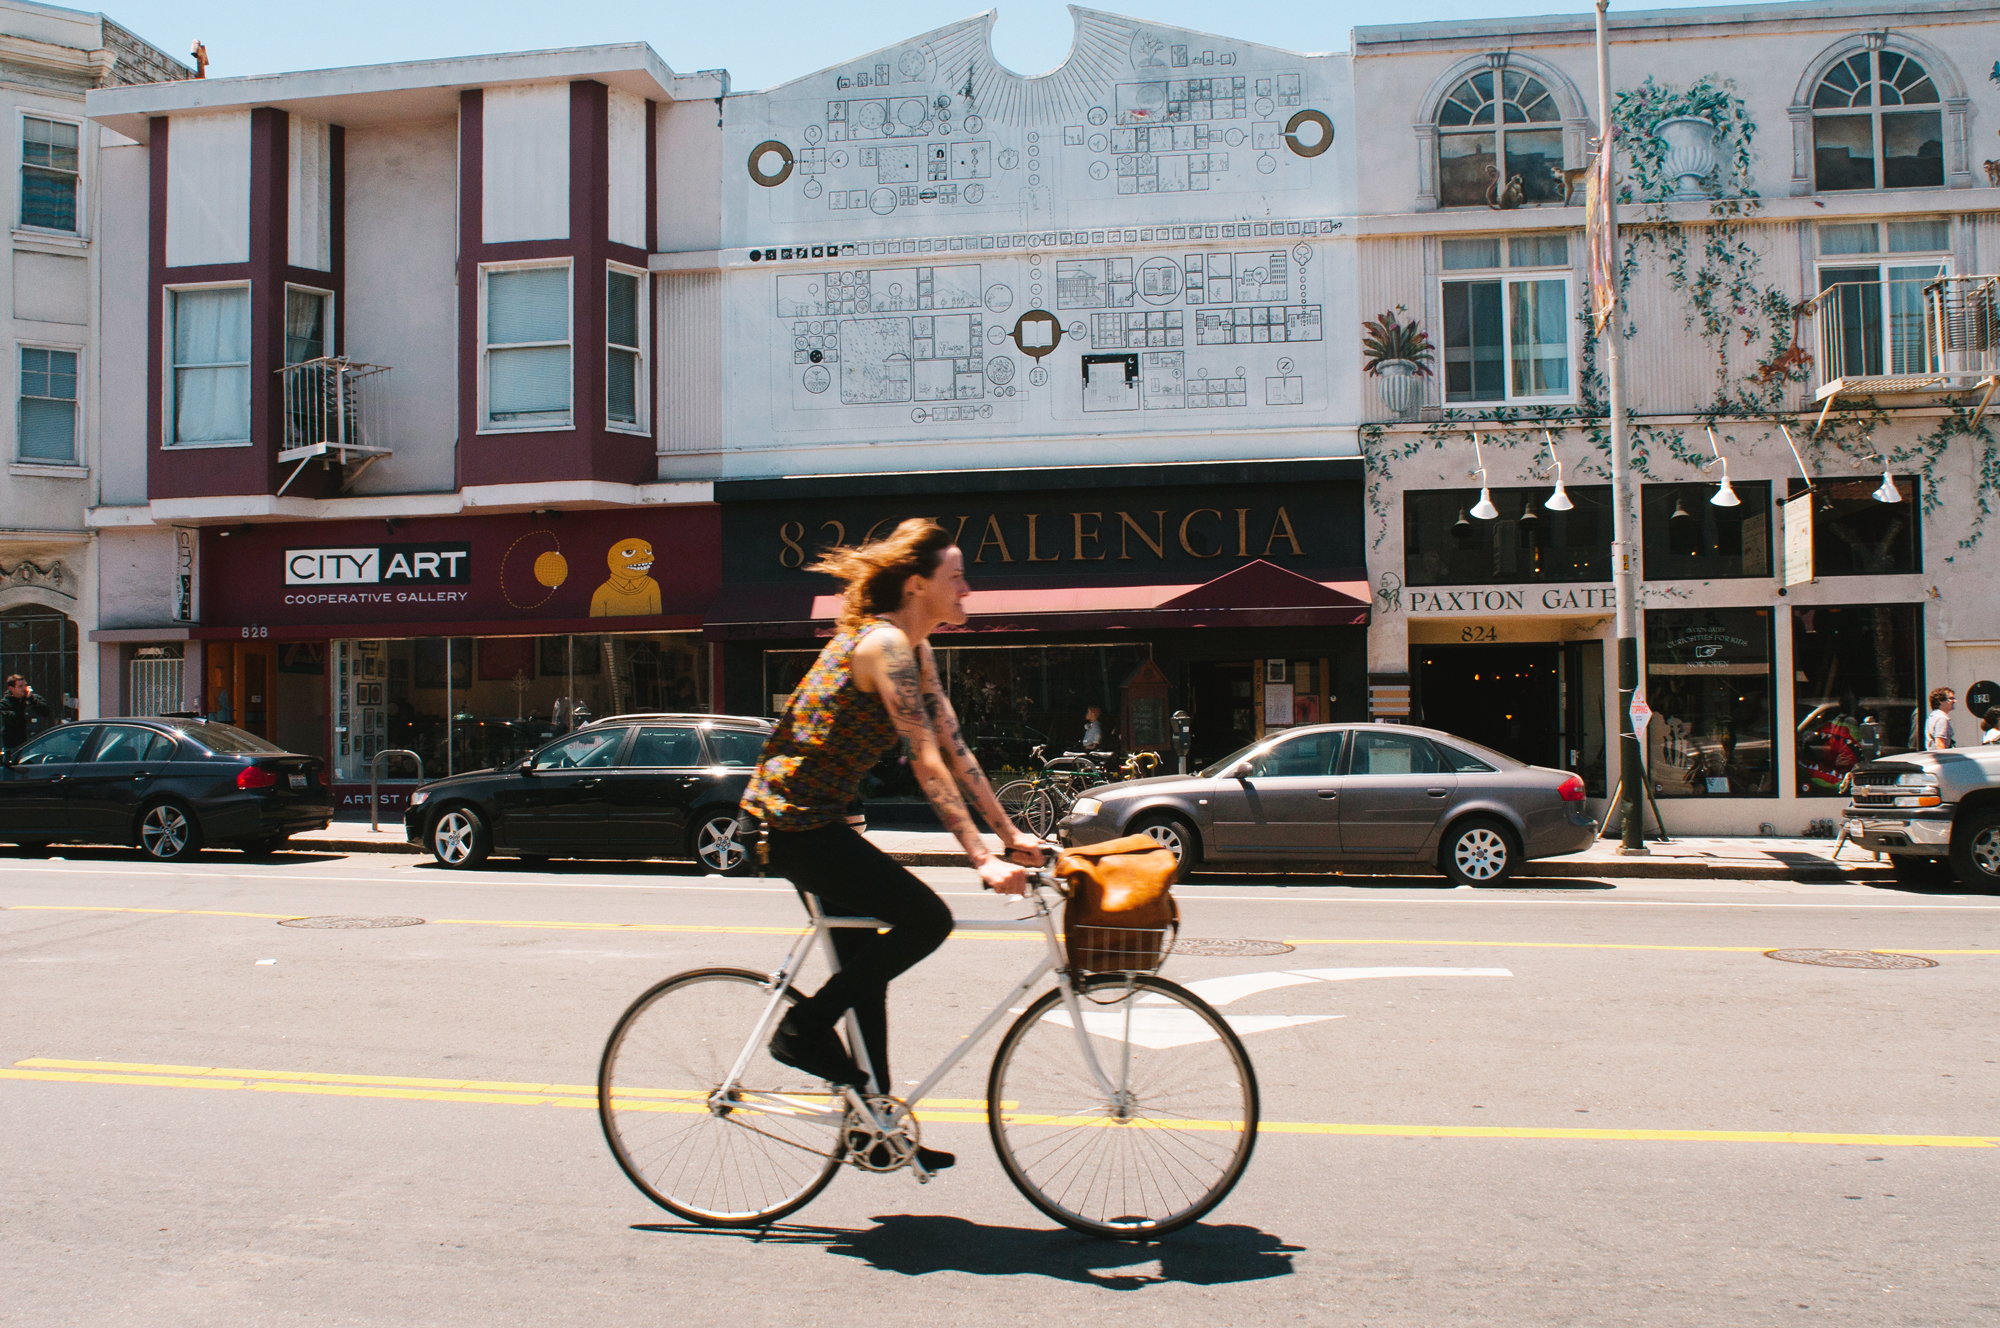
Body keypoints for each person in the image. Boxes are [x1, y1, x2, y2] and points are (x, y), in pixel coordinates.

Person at [741, 518, 1045, 1172]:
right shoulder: (882, 646)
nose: (969, 588)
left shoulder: (916, 650)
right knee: (925, 920)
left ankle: (874, 1125)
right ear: (917, 584)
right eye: (957, 577)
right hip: (791, 822)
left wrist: (1011, 833)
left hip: (826, 819)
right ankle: (800, 1032)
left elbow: (958, 750)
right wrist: (980, 858)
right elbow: (925, 759)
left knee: (865, 975)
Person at [2, 674, 54, 758]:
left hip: (36, 744)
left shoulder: (34, 698)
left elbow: (46, 711)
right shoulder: (5, 704)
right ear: (11, 689)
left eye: (25, 685)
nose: (24, 688)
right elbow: (15, 719)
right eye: (20, 686)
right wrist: (23, 703)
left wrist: (31, 699)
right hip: (16, 747)